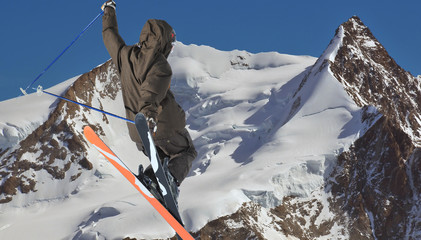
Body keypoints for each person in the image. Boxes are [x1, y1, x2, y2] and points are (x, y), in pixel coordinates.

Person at [101, 1, 197, 202]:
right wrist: (148, 117)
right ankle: (169, 182)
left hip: (139, 134)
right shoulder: (161, 65)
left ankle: (151, 179)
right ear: (164, 43)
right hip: (161, 126)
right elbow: (151, 92)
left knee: (162, 157)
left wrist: (109, 11)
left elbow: (110, 36)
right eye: (170, 45)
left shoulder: (124, 56)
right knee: (186, 151)